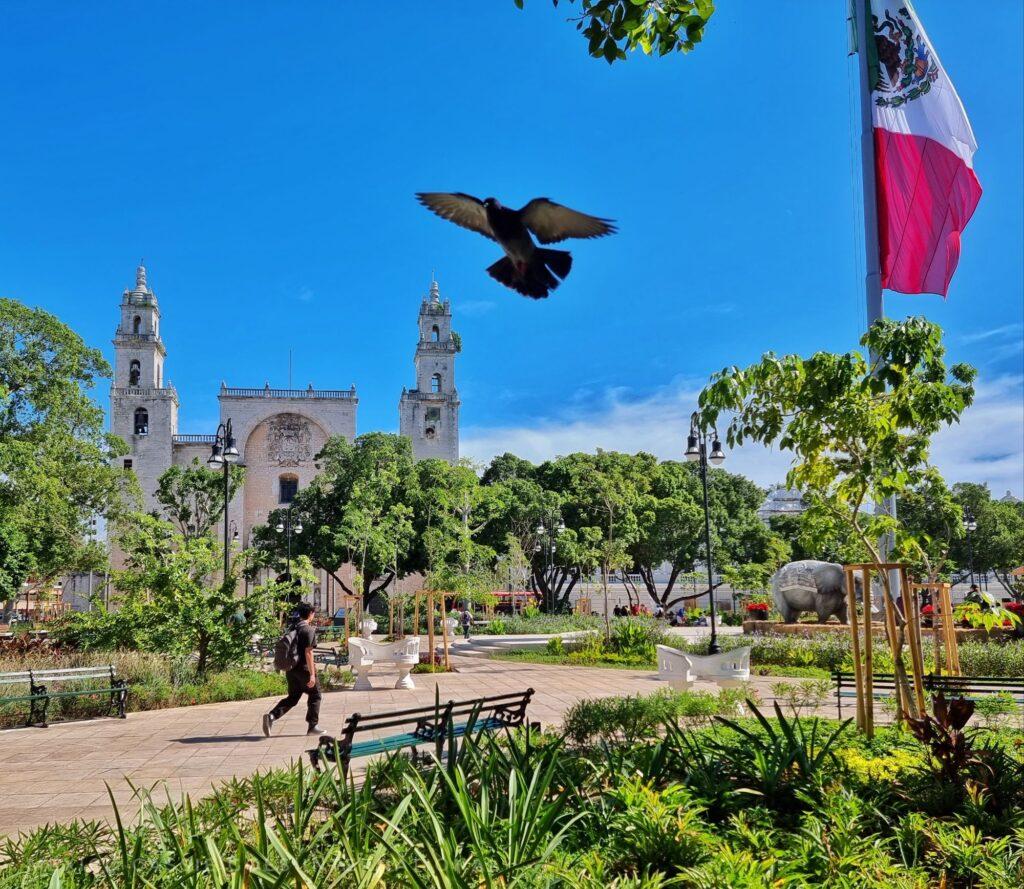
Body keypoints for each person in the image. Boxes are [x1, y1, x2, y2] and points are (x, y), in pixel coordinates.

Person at [263, 603, 324, 737]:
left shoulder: (293, 627)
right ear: (311, 614)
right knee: (316, 695)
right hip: (304, 669)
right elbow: (308, 652)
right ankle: (313, 726)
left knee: (293, 697)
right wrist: (312, 674)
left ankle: (272, 716)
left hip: (291, 669)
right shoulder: (308, 630)